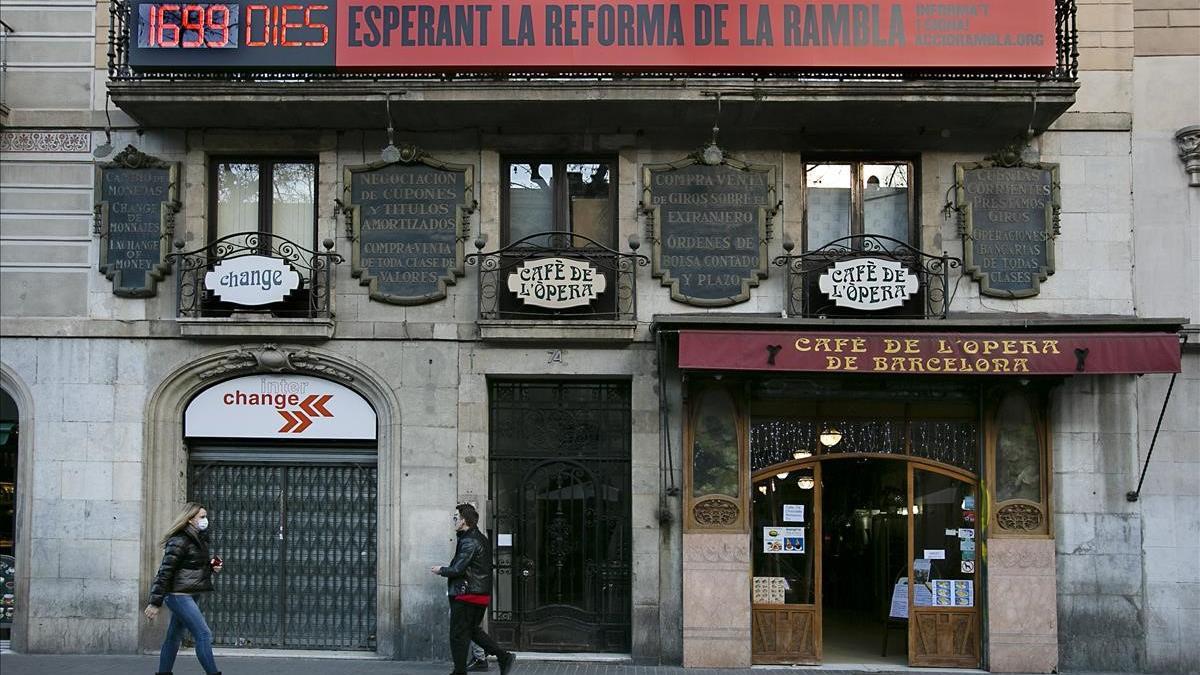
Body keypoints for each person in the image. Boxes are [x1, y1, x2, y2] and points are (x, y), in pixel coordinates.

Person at [431, 503, 517, 675]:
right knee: (471, 631)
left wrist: (441, 570)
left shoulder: (469, 540)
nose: (454, 520)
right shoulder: (480, 538)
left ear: (464, 520)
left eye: (456, 517)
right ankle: (503, 656)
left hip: (467, 595)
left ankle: (460, 672)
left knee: (457, 635)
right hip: (479, 594)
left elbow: (458, 569)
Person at [144, 502, 223, 675]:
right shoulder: (179, 540)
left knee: (173, 637)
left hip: (190, 594)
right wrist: (155, 602)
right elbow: (165, 571)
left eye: (205, 516)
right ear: (189, 519)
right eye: (202, 517)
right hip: (179, 596)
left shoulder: (198, 539)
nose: (205, 520)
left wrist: (211, 567)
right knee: (203, 634)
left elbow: (191, 568)